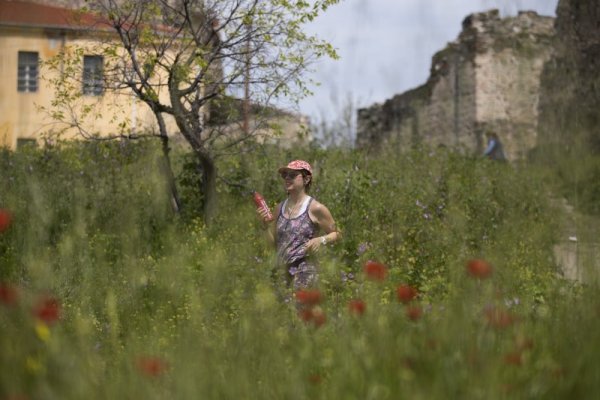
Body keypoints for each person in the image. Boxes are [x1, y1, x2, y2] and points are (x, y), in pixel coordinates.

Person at [257, 160, 341, 290]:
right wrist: (264, 227)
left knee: (300, 308)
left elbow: (338, 233)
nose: (287, 178)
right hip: (282, 271)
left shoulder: (315, 208)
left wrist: (321, 240)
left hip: (305, 270)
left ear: (306, 179)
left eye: (292, 175)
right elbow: (273, 246)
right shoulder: (279, 208)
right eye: (285, 175)